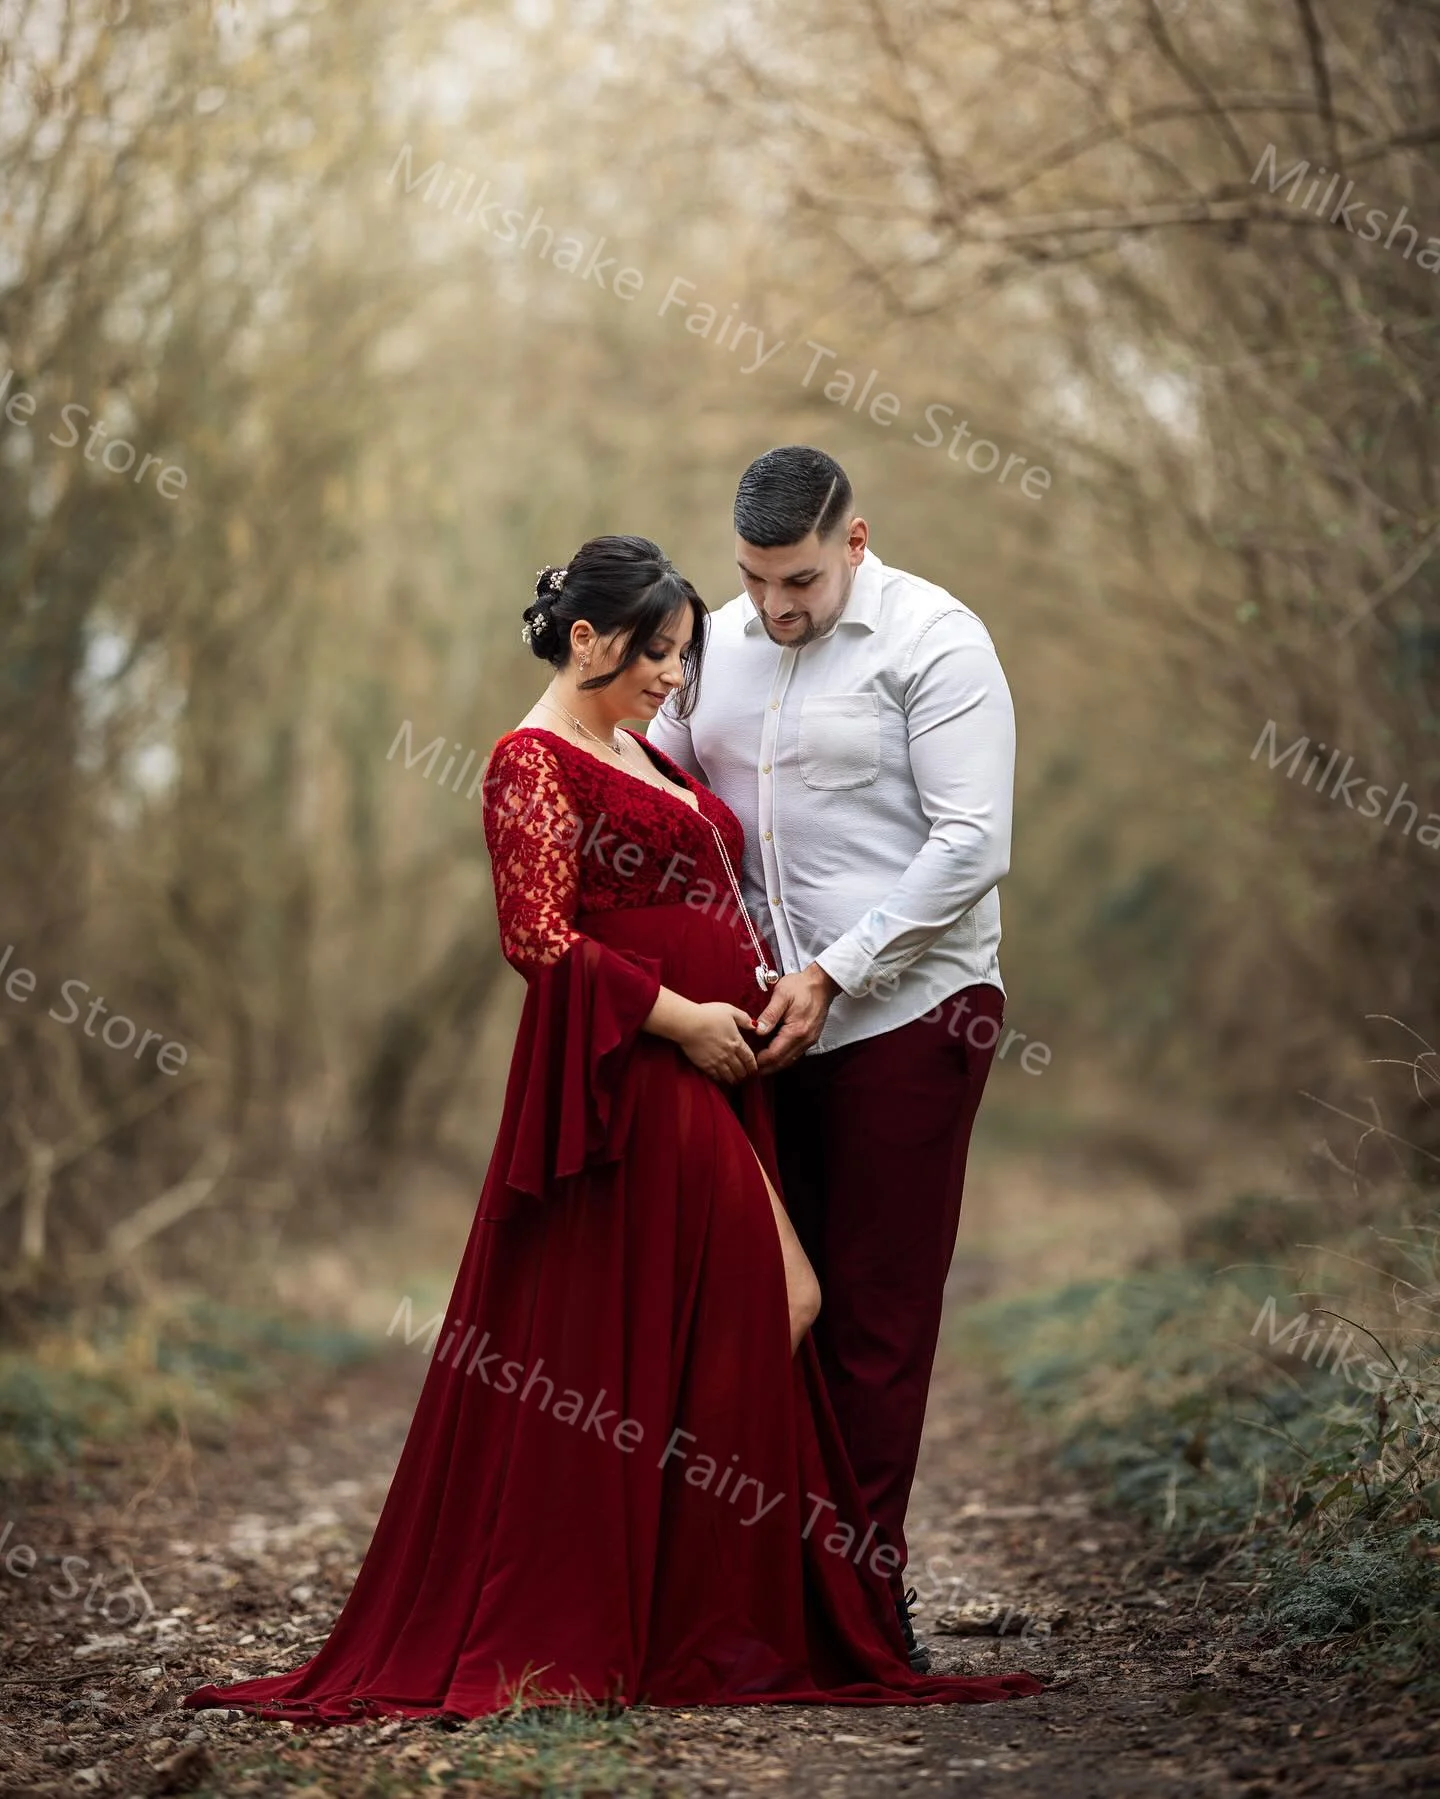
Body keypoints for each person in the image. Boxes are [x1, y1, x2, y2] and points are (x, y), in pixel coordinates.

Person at [182, 534, 1041, 1722]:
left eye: (686, 656)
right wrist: (685, 1018)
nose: (675, 679)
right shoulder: (528, 761)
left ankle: (699, 1611)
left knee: (732, 1318)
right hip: (641, 1072)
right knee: (772, 1297)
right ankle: (651, 1614)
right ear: (586, 639)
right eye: (657, 654)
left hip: (716, 1071)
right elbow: (537, 938)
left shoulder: (637, 747)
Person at [646, 451, 1016, 1672]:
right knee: (763, 1302)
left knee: (870, 1319)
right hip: (751, 1025)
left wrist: (836, 969)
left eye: (799, 578)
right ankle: (760, 1593)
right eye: (756, 580)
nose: (777, 606)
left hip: (912, 1014)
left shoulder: (939, 642)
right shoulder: (719, 643)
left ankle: (865, 1606)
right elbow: (659, 777)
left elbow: (971, 843)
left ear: (857, 540)